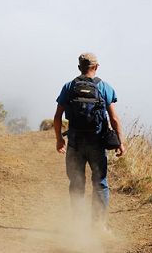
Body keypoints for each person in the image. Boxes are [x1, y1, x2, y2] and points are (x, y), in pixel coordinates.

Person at [53, 52, 125, 229]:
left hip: (75, 143)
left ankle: (78, 224)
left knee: (77, 183)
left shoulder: (69, 87)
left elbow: (57, 116)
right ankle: (98, 225)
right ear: (97, 67)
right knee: (100, 183)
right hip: (97, 143)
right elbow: (114, 119)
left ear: (79, 67)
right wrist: (120, 142)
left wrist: (59, 140)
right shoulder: (105, 87)